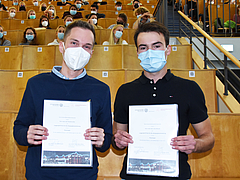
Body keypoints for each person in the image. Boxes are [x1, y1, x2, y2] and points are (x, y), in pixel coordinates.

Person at [112, 21, 215, 180]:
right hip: (133, 175)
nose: (150, 51)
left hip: (177, 175)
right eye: (143, 47)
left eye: (157, 46)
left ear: (168, 49)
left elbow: (208, 138)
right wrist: (118, 141)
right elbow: (116, 137)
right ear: (138, 52)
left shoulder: (189, 88)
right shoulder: (125, 91)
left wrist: (195, 144)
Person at [13, 20, 112, 180]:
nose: (80, 50)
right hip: (40, 175)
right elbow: (19, 129)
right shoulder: (36, 84)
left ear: (91, 53)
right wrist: (27, 134)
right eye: (74, 43)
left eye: (87, 46)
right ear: (62, 46)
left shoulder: (101, 89)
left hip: (83, 175)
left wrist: (101, 140)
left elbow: (106, 141)